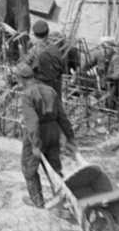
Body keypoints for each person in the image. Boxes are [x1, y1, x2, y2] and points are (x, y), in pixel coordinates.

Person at [14, 61, 77, 208]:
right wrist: (70, 137)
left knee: (29, 168)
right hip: (53, 131)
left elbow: (33, 122)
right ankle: (63, 197)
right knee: (55, 169)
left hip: (38, 134)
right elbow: (62, 117)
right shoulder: (50, 90)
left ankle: (37, 201)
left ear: (21, 79)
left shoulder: (27, 95)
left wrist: (36, 145)